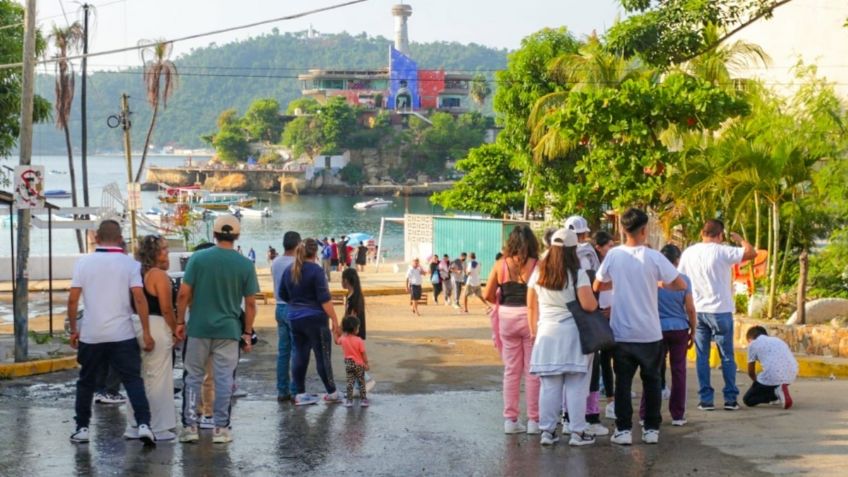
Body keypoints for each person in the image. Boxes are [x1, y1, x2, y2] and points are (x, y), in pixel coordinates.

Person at [594, 208, 687, 446]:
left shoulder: (613, 256)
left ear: (623, 230)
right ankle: (651, 429)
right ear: (644, 230)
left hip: (622, 333)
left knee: (623, 383)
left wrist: (619, 284)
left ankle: (624, 430)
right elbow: (678, 284)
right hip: (650, 333)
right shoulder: (654, 257)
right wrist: (656, 283)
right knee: (652, 381)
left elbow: (598, 284)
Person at [66, 219, 156, 445]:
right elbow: (139, 298)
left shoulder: (83, 264)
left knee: (86, 382)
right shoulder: (130, 265)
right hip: (122, 334)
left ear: (96, 238)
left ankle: (82, 428)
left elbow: (73, 299)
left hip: (91, 334)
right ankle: (144, 424)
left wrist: (74, 330)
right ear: (120, 239)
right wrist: (146, 331)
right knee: (133, 380)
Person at [176, 215, 259, 444]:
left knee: (192, 377)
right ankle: (221, 428)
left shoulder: (198, 259)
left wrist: (180, 322)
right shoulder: (245, 264)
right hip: (229, 331)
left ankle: (191, 426)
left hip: (199, 328)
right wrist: (247, 333)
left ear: (214, 234)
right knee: (224, 380)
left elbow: (183, 294)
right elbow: (250, 304)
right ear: (237, 236)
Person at [528, 228, 599, 446]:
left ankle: (547, 432)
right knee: (576, 385)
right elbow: (589, 305)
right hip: (573, 336)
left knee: (549, 386)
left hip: (546, 335)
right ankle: (577, 433)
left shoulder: (538, 272)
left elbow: (531, 305)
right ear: (572, 250)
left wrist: (534, 333)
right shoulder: (577, 274)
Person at [678, 219, 756, 411]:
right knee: (727, 356)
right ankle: (730, 399)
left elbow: (681, 280)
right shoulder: (723, 251)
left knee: (701, 356)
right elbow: (752, 253)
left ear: (702, 233)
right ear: (720, 235)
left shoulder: (689, 252)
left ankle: (706, 400)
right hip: (721, 311)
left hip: (698, 310)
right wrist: (740, 240)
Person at [484, 225, 541, 435]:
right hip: (531, 317)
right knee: (532, 371)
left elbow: (488, 294)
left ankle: (510, 420)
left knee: (511, 370)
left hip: (506, 318)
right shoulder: (537, 265)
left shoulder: (501, 265)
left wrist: (500, 299)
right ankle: (534, 420)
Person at [123, 234, 178, 441]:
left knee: (139, 377)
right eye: (164, 249)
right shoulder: (158, 275)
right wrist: (176, 329)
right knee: (159, 377)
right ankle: (158, 426)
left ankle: (135, 423)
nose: (168, 253)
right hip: (155, 324)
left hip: (135, 324)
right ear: (155, 253)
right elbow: (165, 308)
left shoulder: (136, 272)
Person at [279, 238, 342, 406]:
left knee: (299, 354)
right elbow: (324, 299)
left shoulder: (289, 270)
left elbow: (283, 294)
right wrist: (335, 321)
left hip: (294, 318)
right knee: (322, 356)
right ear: (315, 253)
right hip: (316, 320)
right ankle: (332, 392)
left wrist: (296, 303)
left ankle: (300, 393)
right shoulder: (316, 271)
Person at [638, 244, 696, 427]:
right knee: (679, 372)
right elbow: (691, 309)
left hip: (656, 329)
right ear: (677, 261)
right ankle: (678, 415)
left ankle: (645, 414)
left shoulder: (653, 281)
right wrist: (693, 330)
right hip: (679, 329)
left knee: (652, 371)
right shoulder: (684, 280)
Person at [564, 215, 606, 435]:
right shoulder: (587, 256)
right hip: (586, 319)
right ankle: (587, 419)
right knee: (587, 372)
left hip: (561, 323)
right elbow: (593, 292)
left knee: (564, 374)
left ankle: (565, 418)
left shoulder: (552, 261)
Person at [271, 231, 302, 402]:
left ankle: (282, 390)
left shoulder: (275, 262)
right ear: (297, 245)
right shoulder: (296, 264)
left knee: (283, 351)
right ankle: (295, 390)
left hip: (279, 307)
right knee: (297, 351)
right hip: (294, 308)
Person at [592, 230, 618, 419]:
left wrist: (613, 310)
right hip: (595, 316)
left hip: (611, 317)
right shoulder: (593, 267)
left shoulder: (615, 265)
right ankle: (590, 405)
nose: (611, 249)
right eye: (608, 246)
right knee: (595, 362)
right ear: (598, 248)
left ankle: (610, 400)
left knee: (608, 361)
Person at [744, 326, 797, 409]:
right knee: (768, 379)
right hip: (791, 374)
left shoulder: (753, 344)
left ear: (750, 338)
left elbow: (751, 372)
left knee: (748, 399)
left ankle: (775, 394)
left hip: (773, 376)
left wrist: (756, 384)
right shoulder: (778, 340)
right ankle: (779, 392)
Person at [338, 316, 371, 408]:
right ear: (355, 329)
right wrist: (366, 363)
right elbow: (363, 353)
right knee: (361, 382)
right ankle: (363, 400)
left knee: (350, 382)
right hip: (359, 365)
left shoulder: (343, 339)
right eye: (358, 327)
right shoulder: (359, 340)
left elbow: (337, 341)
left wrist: (334, 332)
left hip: (348, 364)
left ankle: (349, 401)